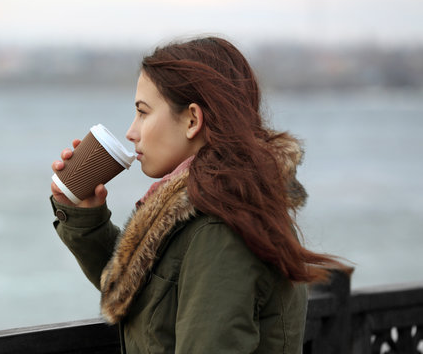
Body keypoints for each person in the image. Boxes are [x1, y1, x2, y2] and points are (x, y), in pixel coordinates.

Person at [50, 36, 345, 353]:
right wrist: (86, 216)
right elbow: (149, 295)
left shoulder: (221, 228)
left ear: (192, 119)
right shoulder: (221, 207)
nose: (131, 131)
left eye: (143, 112)